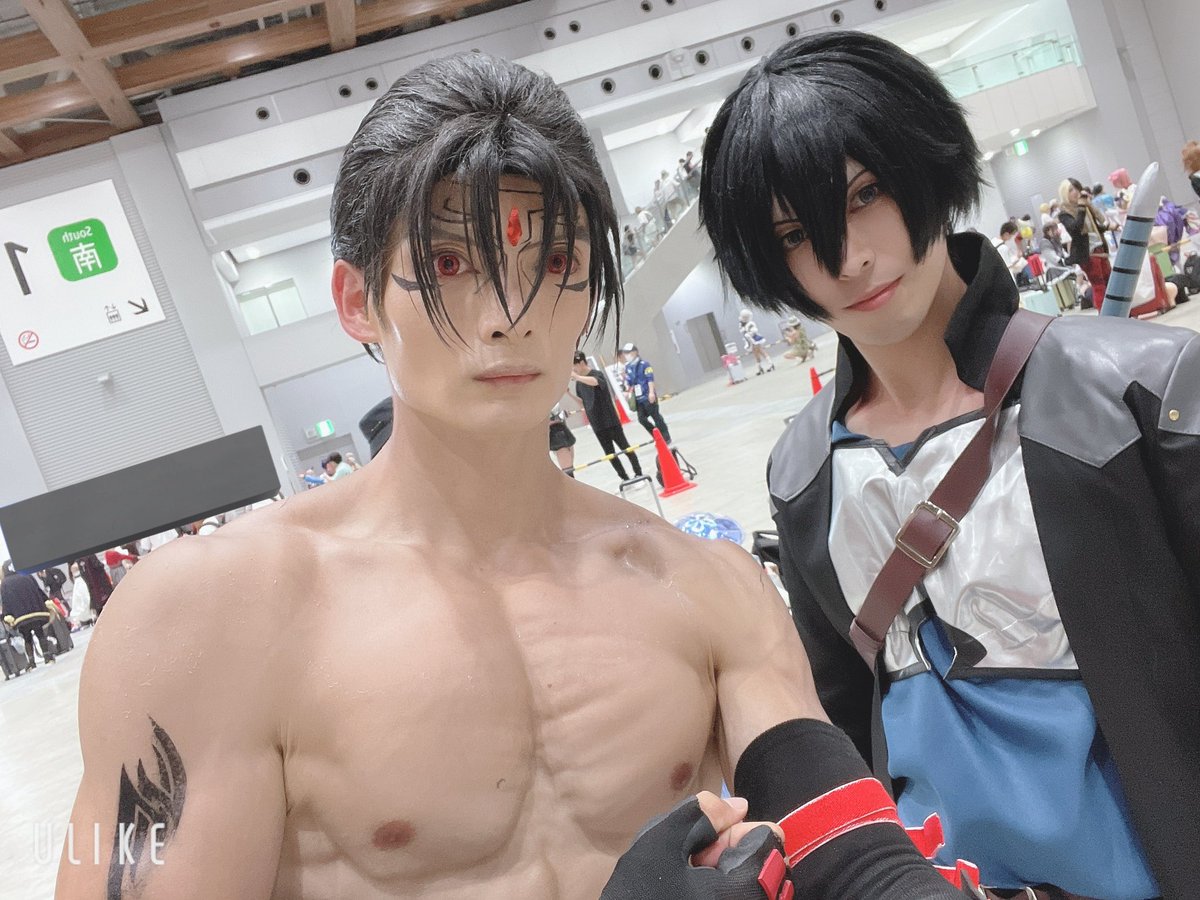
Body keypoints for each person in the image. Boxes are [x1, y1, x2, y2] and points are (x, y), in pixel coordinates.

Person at [60, 51, 970, 900]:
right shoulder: (209, 621)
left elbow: (858, 860)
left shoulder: (710, 587)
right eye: (450, 263)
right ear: (356, 300)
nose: (509, 313)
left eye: (556, 262)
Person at [700, 27, 1199, 899]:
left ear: (924, 163)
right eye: (796, 234)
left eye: (866, 194)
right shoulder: (804, 471)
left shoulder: (1137, 391)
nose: (847, 256)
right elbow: (842, 726)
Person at [570, 350, 643, 482]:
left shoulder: (596, 374)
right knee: (609, 454)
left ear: (581, 363)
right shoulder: (579, 384)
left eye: (573, 366)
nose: (573, 370)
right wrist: (568, 394)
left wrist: (578, 377)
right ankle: (624, 478)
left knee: (625, 447)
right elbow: (583, 402)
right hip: (597, 424)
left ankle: (639, 473)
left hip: (610, 421)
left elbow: (595, 382)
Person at [1057, 177, 1111, 305]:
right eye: (1071, 190)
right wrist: (1081, 207)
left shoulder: (1085, 206)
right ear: (1064, 193)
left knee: (1110, 283)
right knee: (1099, 286)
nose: (1075, 192)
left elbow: (1097, 224)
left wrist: (1088, 205)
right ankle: (1105, 314)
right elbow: (1076, 229)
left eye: (1077, 188)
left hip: (1100, 248)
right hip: (1088, 254)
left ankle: (1118, 313)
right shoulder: (1065, 213)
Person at [1, 560, 56, 670]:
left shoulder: (5, 583)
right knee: (40, 634)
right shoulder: (27, 576)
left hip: (20, 617)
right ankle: (47, 656)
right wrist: (46, 601)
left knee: (27, 638)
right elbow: (38, 591)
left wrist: (7, 615)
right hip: (36, 612)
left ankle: (31, 662)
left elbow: (5, 601)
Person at [620, 342, 672, 445]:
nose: (627, 355)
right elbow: (630, 382)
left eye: (629, 353)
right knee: (642, 419)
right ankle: (656, 435)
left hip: (647, 395)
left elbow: (650, 379)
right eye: (625, 353)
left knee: (656, 416)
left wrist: (651, 392)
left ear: (635, 352)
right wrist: (626, 385)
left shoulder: (644, 364)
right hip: (638, 398)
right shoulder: (628, 367)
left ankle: (666, 436)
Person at [739, 309, 776, 374]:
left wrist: (749, 334)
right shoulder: (743, 325)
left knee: (759, 352)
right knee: (757, 352)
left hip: (754, 339)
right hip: (750, 340)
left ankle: (768, 365)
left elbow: (754, 331)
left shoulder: (750, 323)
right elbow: (743, 331)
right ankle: (763, 367)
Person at [548, 404, 576, 475]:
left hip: (560, 427)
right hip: (554, 431)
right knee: (568, 472)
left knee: (569, 470)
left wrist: (560, 416)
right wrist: (556, 419)